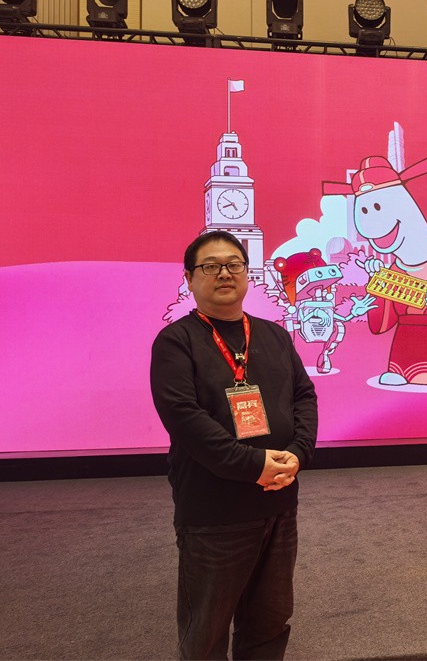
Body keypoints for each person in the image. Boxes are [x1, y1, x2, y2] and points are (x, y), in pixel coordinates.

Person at [150, 230, 318, 660]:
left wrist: (298, 454)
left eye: (234, 265)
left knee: (270, 622)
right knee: (205, 632)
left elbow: (304, 397)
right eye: (210, 266)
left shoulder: (275, 336)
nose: (224, 273)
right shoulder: (176, 342)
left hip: (279, 503)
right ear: (190, 278)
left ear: (247, 273)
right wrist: (253, 465)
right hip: (215, 512)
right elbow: (185, 420)